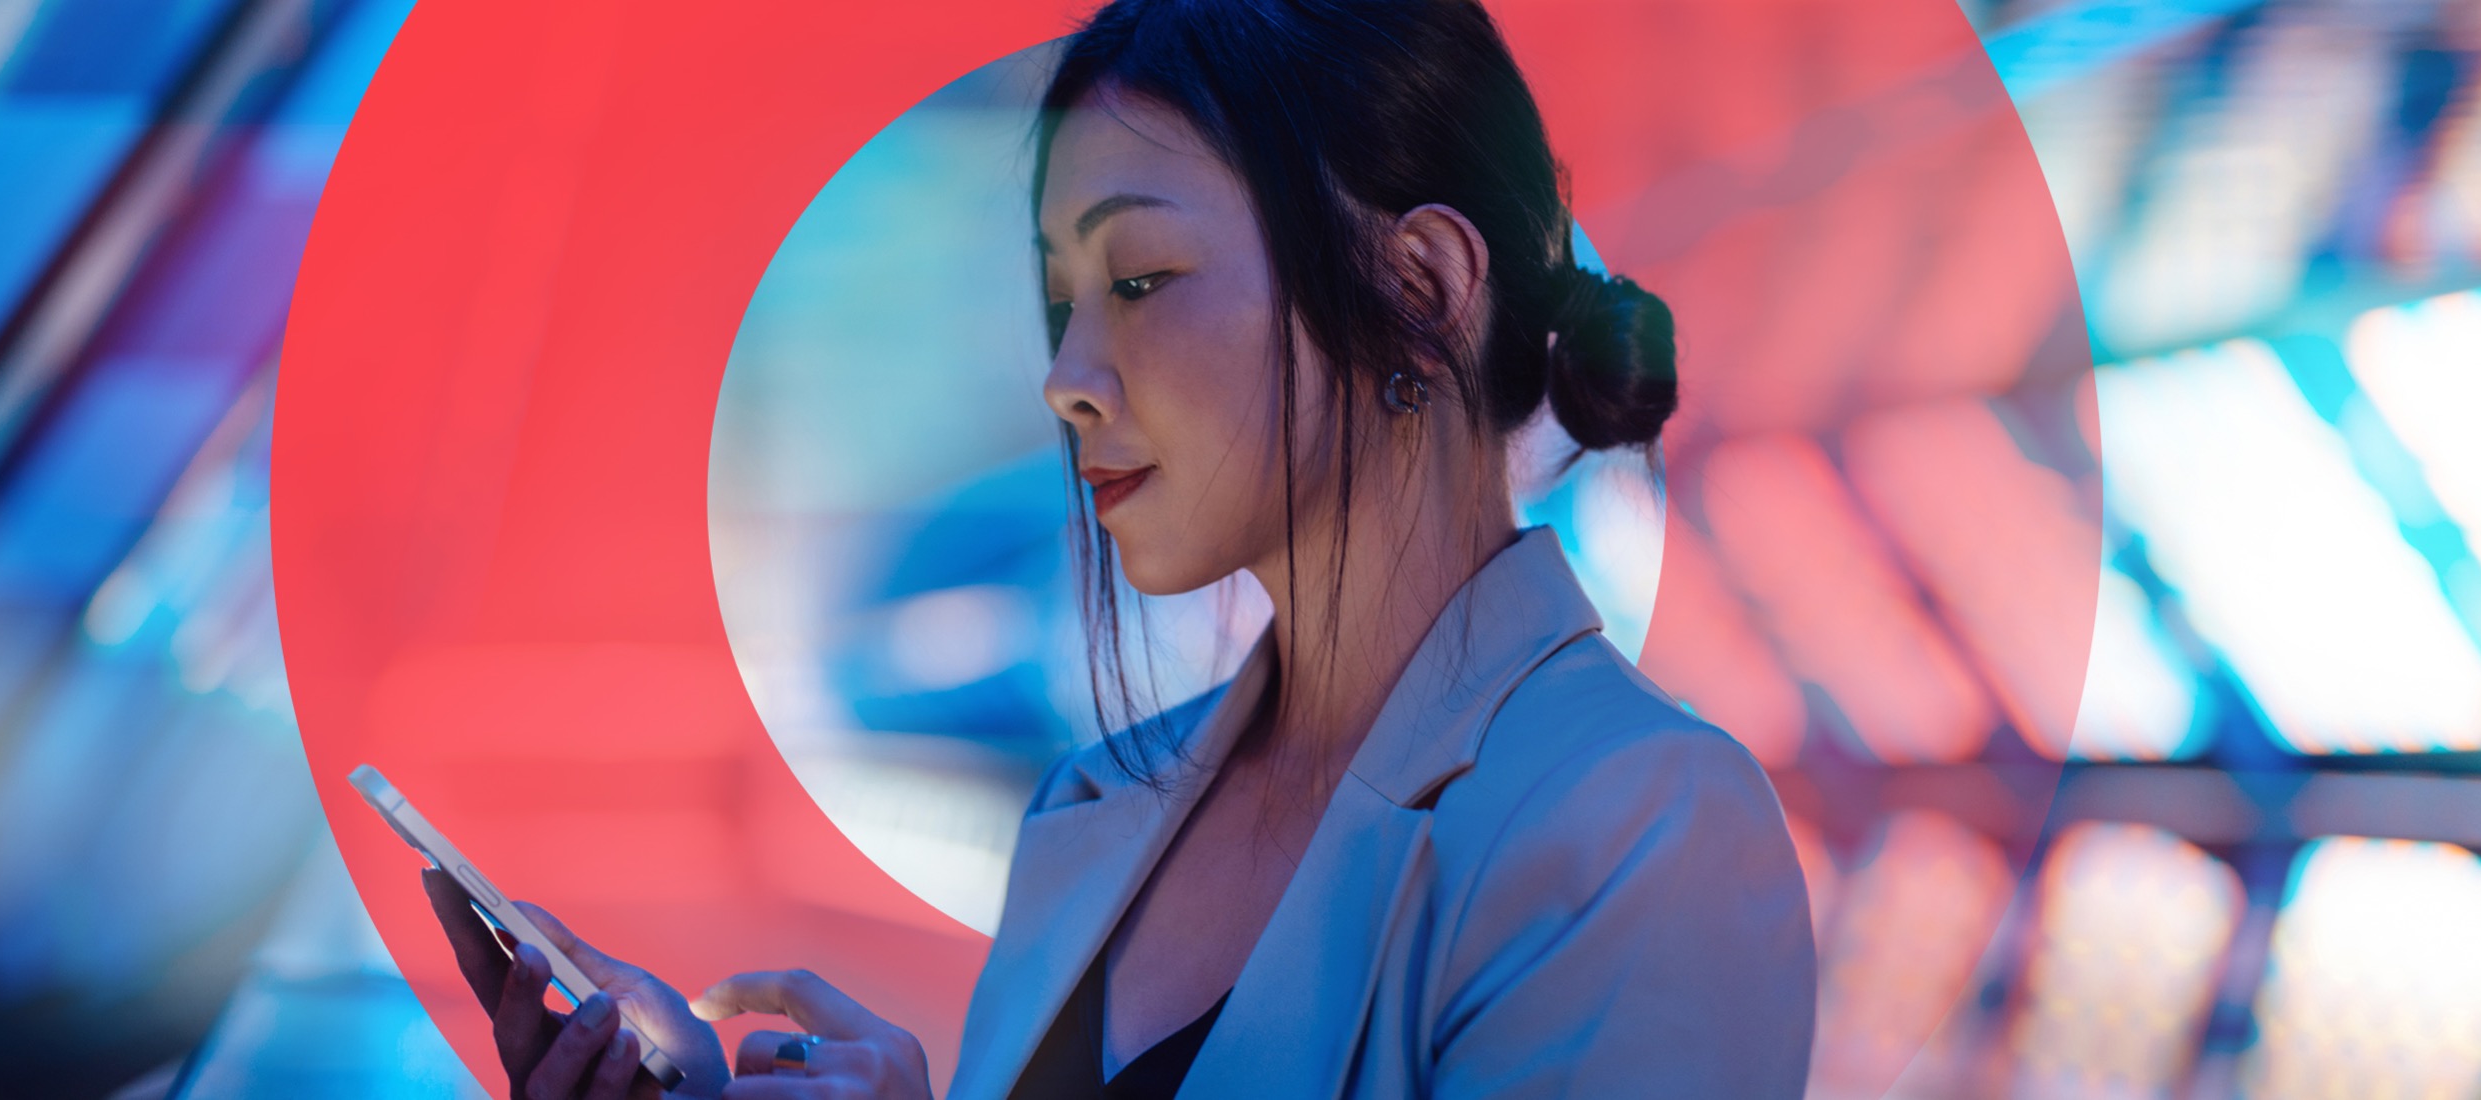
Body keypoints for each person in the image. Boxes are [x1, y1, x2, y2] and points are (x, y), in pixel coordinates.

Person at [423, 0, 1817, 1095]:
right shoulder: (1091, 815)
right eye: (1061, 300)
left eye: (1139, 279)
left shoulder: (1642, 826)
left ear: (1422, 287)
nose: (1069, 376)